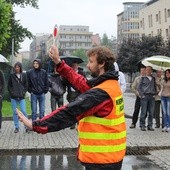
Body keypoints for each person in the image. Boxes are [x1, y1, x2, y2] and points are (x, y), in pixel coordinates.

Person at [17, 45, 126, 170]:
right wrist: (59, 63)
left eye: (91, 61)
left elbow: (68, 113)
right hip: (110, 156)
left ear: (101, 64)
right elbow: (81, 82)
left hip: (102, 160)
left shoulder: (101, 93)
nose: (88, 66)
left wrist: (35, 125)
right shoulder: (110, 85)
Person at [8, 62, 29, 133]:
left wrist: (23, 92)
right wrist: (12, 93)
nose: (17, 68)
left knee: (24, 111)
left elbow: (26, 85)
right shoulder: (12, 75)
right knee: (15, 112)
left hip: (21, 97)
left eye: (18, 67)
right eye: (15, 67)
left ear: (20, 68)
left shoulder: (24, 75)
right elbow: (9, 86)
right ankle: (17, 127)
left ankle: (26, 126)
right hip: (13, 97)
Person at [66, 61, 86, 129]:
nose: (74, 67)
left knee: (79, 108)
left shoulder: (81, 73)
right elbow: (65, 82)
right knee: (72, 108)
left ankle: (79, 123)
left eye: (75, 65)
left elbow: (85, 81)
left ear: (77, 66)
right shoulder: (69, 73)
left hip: (79, 92)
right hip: (71, 93)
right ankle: (72, 123)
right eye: (73, 66)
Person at [138, 66, 157, 131]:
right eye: (147, 70)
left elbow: (155, 87)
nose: (148, 71)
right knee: (144, 112)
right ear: (145, 71)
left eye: (149, 70)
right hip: (145, 96)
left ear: (151, 71)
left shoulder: (153, 78)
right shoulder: (143, 78)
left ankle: (150, 125)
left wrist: (155, 94)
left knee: (151, 112)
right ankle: (142, 125)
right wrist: (142, 95)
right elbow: (139, 88)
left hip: (152, 97)